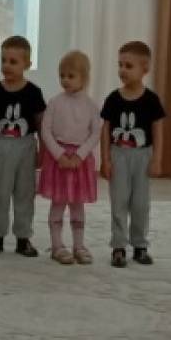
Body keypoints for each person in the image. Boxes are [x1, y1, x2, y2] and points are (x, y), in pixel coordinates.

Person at [100, 40, 166, 268]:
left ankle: (140, 245)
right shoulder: (113, 99)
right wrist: (105, 159)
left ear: (145, 68)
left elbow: (157, 131)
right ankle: (118, 246)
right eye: (120, 65)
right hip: (118, 155)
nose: (122, 70)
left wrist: (157, 159)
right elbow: (105, 130)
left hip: (143, 156)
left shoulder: (151, 100)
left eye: (129, 66)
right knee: (118, 201)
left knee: (140, 204)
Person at [0, 35, 46, 257]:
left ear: (27, 64)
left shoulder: (33, 92)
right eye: (3, 60)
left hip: (26, 146)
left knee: (25, 194)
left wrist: (43, 150)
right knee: (1, 193)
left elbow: (40, 123)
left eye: (13, 61)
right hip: (1, 145)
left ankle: (23, 237)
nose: (6, 65)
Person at [38, 50, 101, 265]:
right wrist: (59, 155)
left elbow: (95, 133)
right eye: (62, 75)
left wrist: (80, 156)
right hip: (59, 161)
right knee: (58, 202)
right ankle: (57, 245)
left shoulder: (91, 105)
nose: (65, 80)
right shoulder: (55, 103)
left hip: (79, 162)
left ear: (84, 77)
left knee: (77, 204)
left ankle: (79, 245)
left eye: (71, 76)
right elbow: (46, 131)